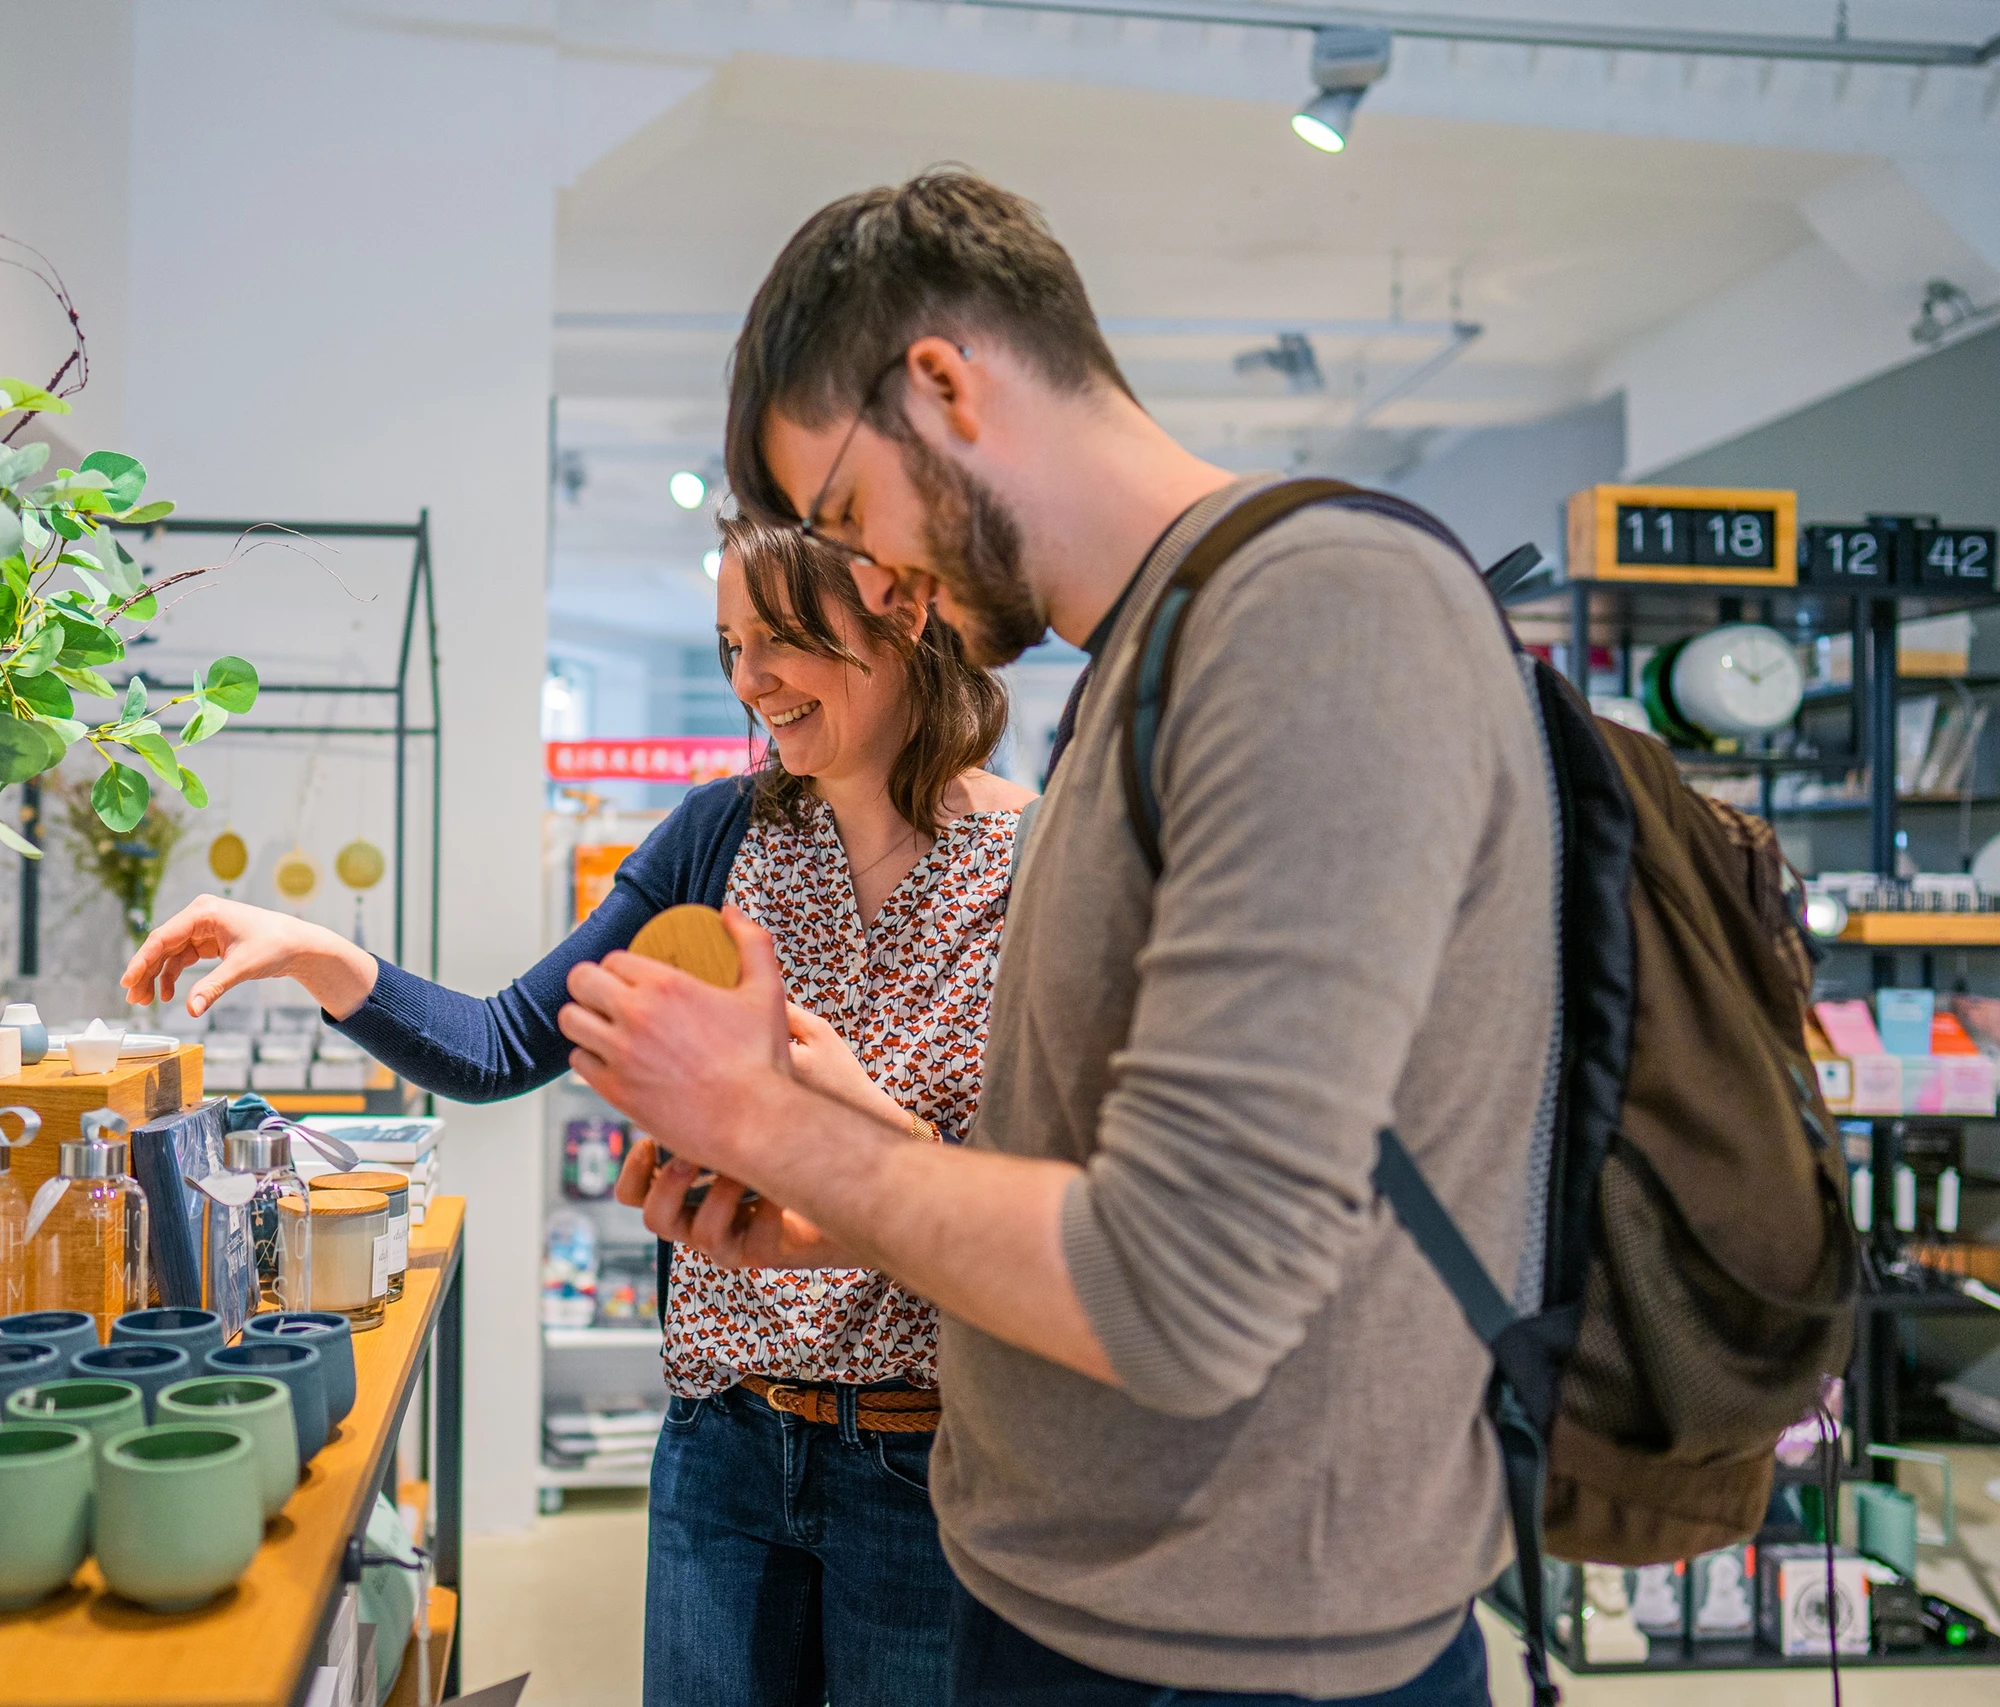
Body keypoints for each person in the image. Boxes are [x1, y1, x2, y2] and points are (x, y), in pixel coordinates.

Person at [555, 169, 1552, 1707]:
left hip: (1244, 1646)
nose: (870, 584)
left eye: (848, 516)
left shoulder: (1318, 618)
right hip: (1095, 1607)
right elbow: (1110, 1182)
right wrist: (840, 1210)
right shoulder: (1152, 666)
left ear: (943, 383)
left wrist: (775, 1125)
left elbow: (1188, 1286)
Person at [119, 513, 1033, 1707]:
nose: (750, 680)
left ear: (901, 617)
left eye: (782, 639)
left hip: (931, 1466)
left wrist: (866, 1127)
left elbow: (1056, 1220)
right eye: (727, 646)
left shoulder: (1035, 869)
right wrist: (313, 952)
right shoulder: (723, 832)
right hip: (724, 1448)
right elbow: (503, 1041)